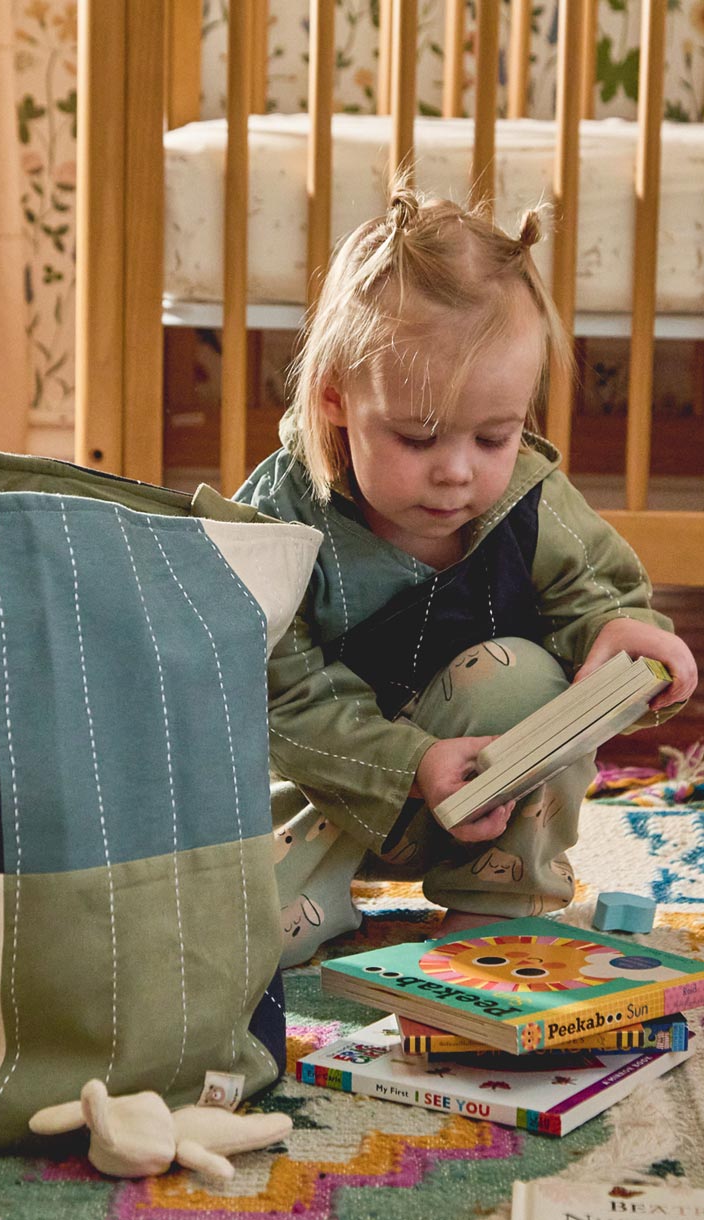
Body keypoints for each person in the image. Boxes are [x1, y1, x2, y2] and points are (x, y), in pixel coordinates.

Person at [234, 189, 698, 966]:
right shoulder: (281, 521)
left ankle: (496, 897)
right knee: (232, 943)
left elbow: (604, 599)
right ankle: (322, 903)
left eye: (494, 435)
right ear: (335, 395)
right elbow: (270, 695)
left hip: (493, 796)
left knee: (515, 674)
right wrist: (409, 765)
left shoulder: (530, 499)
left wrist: (625, 645)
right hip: (330, 796)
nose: (456, 473)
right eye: (417, 436)